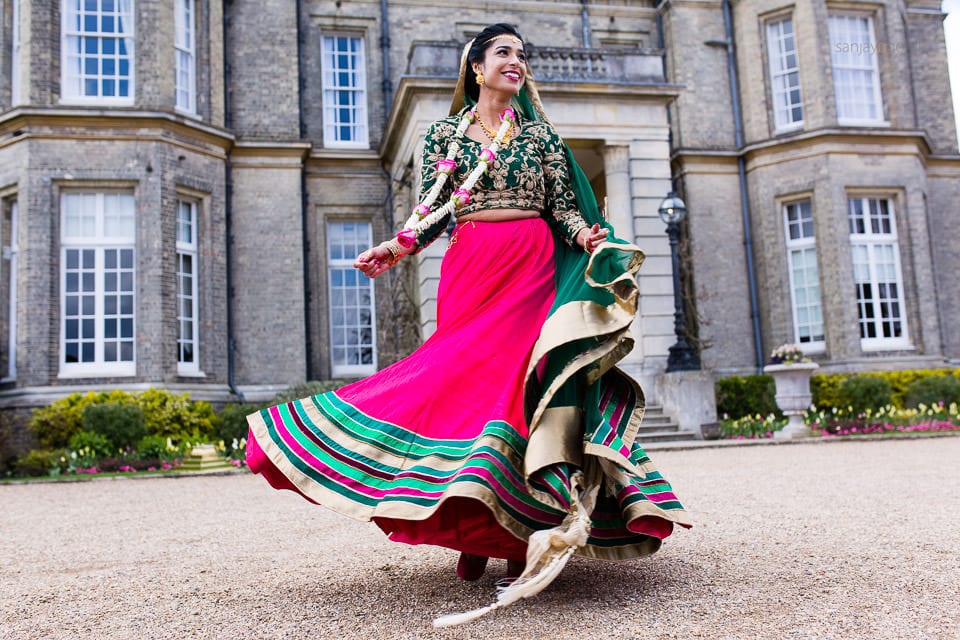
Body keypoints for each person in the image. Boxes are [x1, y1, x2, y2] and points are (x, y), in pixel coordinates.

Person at [246, 22, 690, 619]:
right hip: (472, 268)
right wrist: (396, 247)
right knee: (461, 384)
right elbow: (432, 207)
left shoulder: (540, 141)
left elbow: (561, 208)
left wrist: (587, 234)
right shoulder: (444, 136)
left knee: (519, 392)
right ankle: (466, 520)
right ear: (476, 68)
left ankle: (511, 530)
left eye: (522, 55)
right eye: (504, 53)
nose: (516, 62)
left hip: (532, 265)